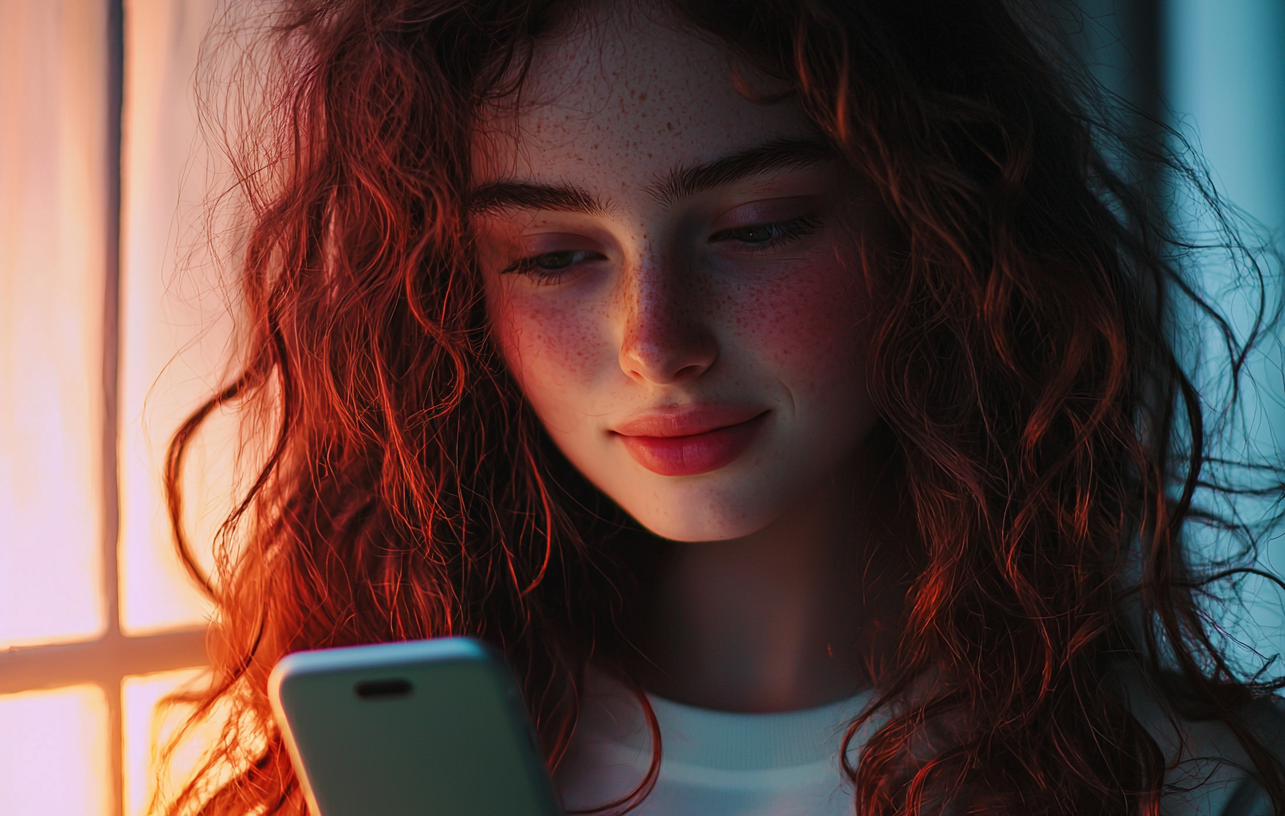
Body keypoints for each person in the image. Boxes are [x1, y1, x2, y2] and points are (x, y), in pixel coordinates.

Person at [156, 0, 1285, 813]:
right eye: (552, 256)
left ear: (938, 236)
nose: (656, 345)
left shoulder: (1189, 785)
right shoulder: (367, 779)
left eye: (756, 229)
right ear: (455, 297)